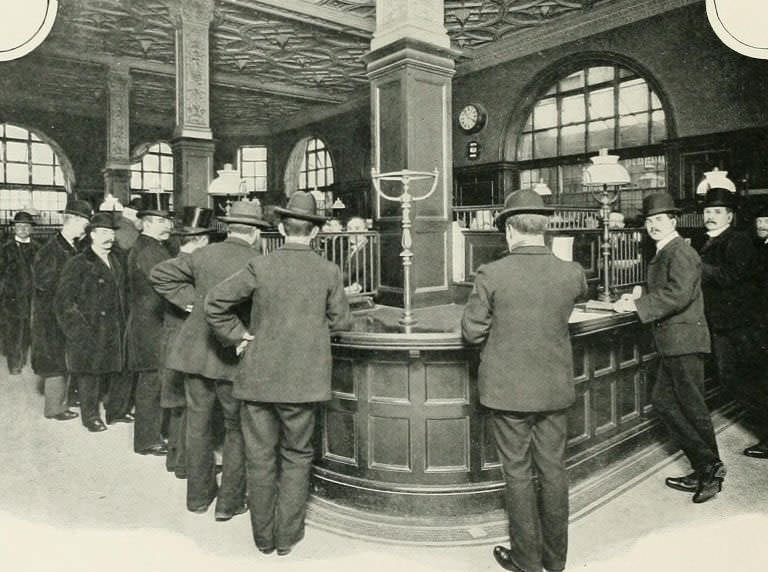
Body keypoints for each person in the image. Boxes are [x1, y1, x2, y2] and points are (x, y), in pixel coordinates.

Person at [205, 191, 351, 556]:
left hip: (257, 380)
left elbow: (215, 303)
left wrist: (238, 336)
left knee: (259, 456)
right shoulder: (328, 270)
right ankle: (287, 538)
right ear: (315, 232)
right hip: (303, 383)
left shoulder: (260, 265)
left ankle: (262, 537)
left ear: (282, 229)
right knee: (297, 456)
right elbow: (341, 322)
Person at [460, 188, 587, 572]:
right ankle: (555, 560)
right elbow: (572, 304)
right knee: (553, 469)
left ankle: (526, 561)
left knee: (516, 471)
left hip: (507, 389)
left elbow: (471, 332)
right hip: (554, 387)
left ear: (509, 232)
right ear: (545, 229)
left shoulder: (491, 273)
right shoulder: (572, 272)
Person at [150, 200, 267, 520]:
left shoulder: (202, 254)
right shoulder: (258, 262)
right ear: (255, 233)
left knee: (198, 425)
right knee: (235, 429)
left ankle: (198, 498)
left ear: (229, 228)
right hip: (232, 356)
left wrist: (192, 304)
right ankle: (229, 503)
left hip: (195, 356)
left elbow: (159, 274)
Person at [613, 193, 724, 503]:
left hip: (684, 340)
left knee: (691, 407)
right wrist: (637, 296)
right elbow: (669, 289)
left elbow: (678, 294)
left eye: (659, 219)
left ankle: (710, 470)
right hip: (674, 341)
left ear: (673, 221)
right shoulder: (666, 251)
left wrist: (638, 306)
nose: (653, 225)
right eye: (649, 221)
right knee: (665, 403)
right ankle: (705, 466)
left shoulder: (681, 252)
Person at [697, 188, 768, 459]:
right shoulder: (703, 240)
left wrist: (696, 264)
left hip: (740, 326)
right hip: (721, 324)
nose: (711, 217)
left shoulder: (737, 240)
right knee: (733, 381)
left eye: (717, 212)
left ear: (729, 216)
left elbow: (731, 276)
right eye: (707, 212)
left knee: (748, 381)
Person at [153, 206, 214, 478]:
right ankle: (184, 463)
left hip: (174, 339)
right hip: (184, 341)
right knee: (189, 404)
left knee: (182, 405)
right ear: (201, 240)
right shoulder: (188, 264)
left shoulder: (180, 259)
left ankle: (177, 460)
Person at [55, 212, 129, 432]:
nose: (109, 237)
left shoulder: (116, 260)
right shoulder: (78, 262)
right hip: (90, 329)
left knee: (117, 370)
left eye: (112, 233)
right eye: (104, 233)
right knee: (90, 375)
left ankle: (116, 412)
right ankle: (90, 417)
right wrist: (78, 331)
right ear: (92, 235)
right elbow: (64, 302)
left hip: (114, 328)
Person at [31, 199, 92, 421]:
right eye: (85, 224)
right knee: (55, 360)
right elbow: (44, 284)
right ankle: (54, 408)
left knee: (64, 357)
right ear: (74, 221)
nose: (86, 229)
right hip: (51, 315)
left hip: (63, 312)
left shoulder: (71, 245)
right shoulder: (51, 249)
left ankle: (63, 401)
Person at [125, 194, 175, 455]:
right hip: (150, 327)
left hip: (149, 324)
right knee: (151, 382)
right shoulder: (149, 250)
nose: (166, 226)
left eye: (166, 220)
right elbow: (167, 284)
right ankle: (147, 440)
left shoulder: (152, 246)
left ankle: (154, 434)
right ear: (143, 223)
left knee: (154, 381)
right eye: (157, 221)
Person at [0, 211, 41, 375]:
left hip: (34, 298)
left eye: (26, 226)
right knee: (13, 331)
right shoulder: (5, 249)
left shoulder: (38, 249)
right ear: (13, 229)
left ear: (31, 229)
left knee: (34, 332)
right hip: (12, 299)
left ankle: (36, 364)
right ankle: (14, 364)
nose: (23, 229)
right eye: (19, 226)